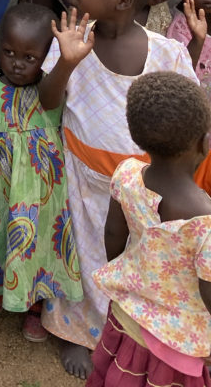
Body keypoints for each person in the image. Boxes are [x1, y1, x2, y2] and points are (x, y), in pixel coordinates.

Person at [38, 0, 198, 379]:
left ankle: (120, 330)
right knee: (81, 248)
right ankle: (74, 330)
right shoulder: (74, 41)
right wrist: (66, 64)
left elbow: (186, 113)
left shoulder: (166, 53)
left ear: (124, 0)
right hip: (83, 175)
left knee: (131, 256)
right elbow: (48, 102)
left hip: (142, 185)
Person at [0, 4, 82, 344]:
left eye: (29, 57)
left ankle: (35, 305)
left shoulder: (53, 89)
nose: (17, 62)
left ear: (46, 57)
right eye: (9, 52)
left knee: (41, 242)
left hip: (42, 192)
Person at [88, 72, 211, 387]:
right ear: (203, 143)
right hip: (177, 344)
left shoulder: (127, 175)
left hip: (126, 318)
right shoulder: (205, 220)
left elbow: (114, 235)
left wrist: (126, 275)